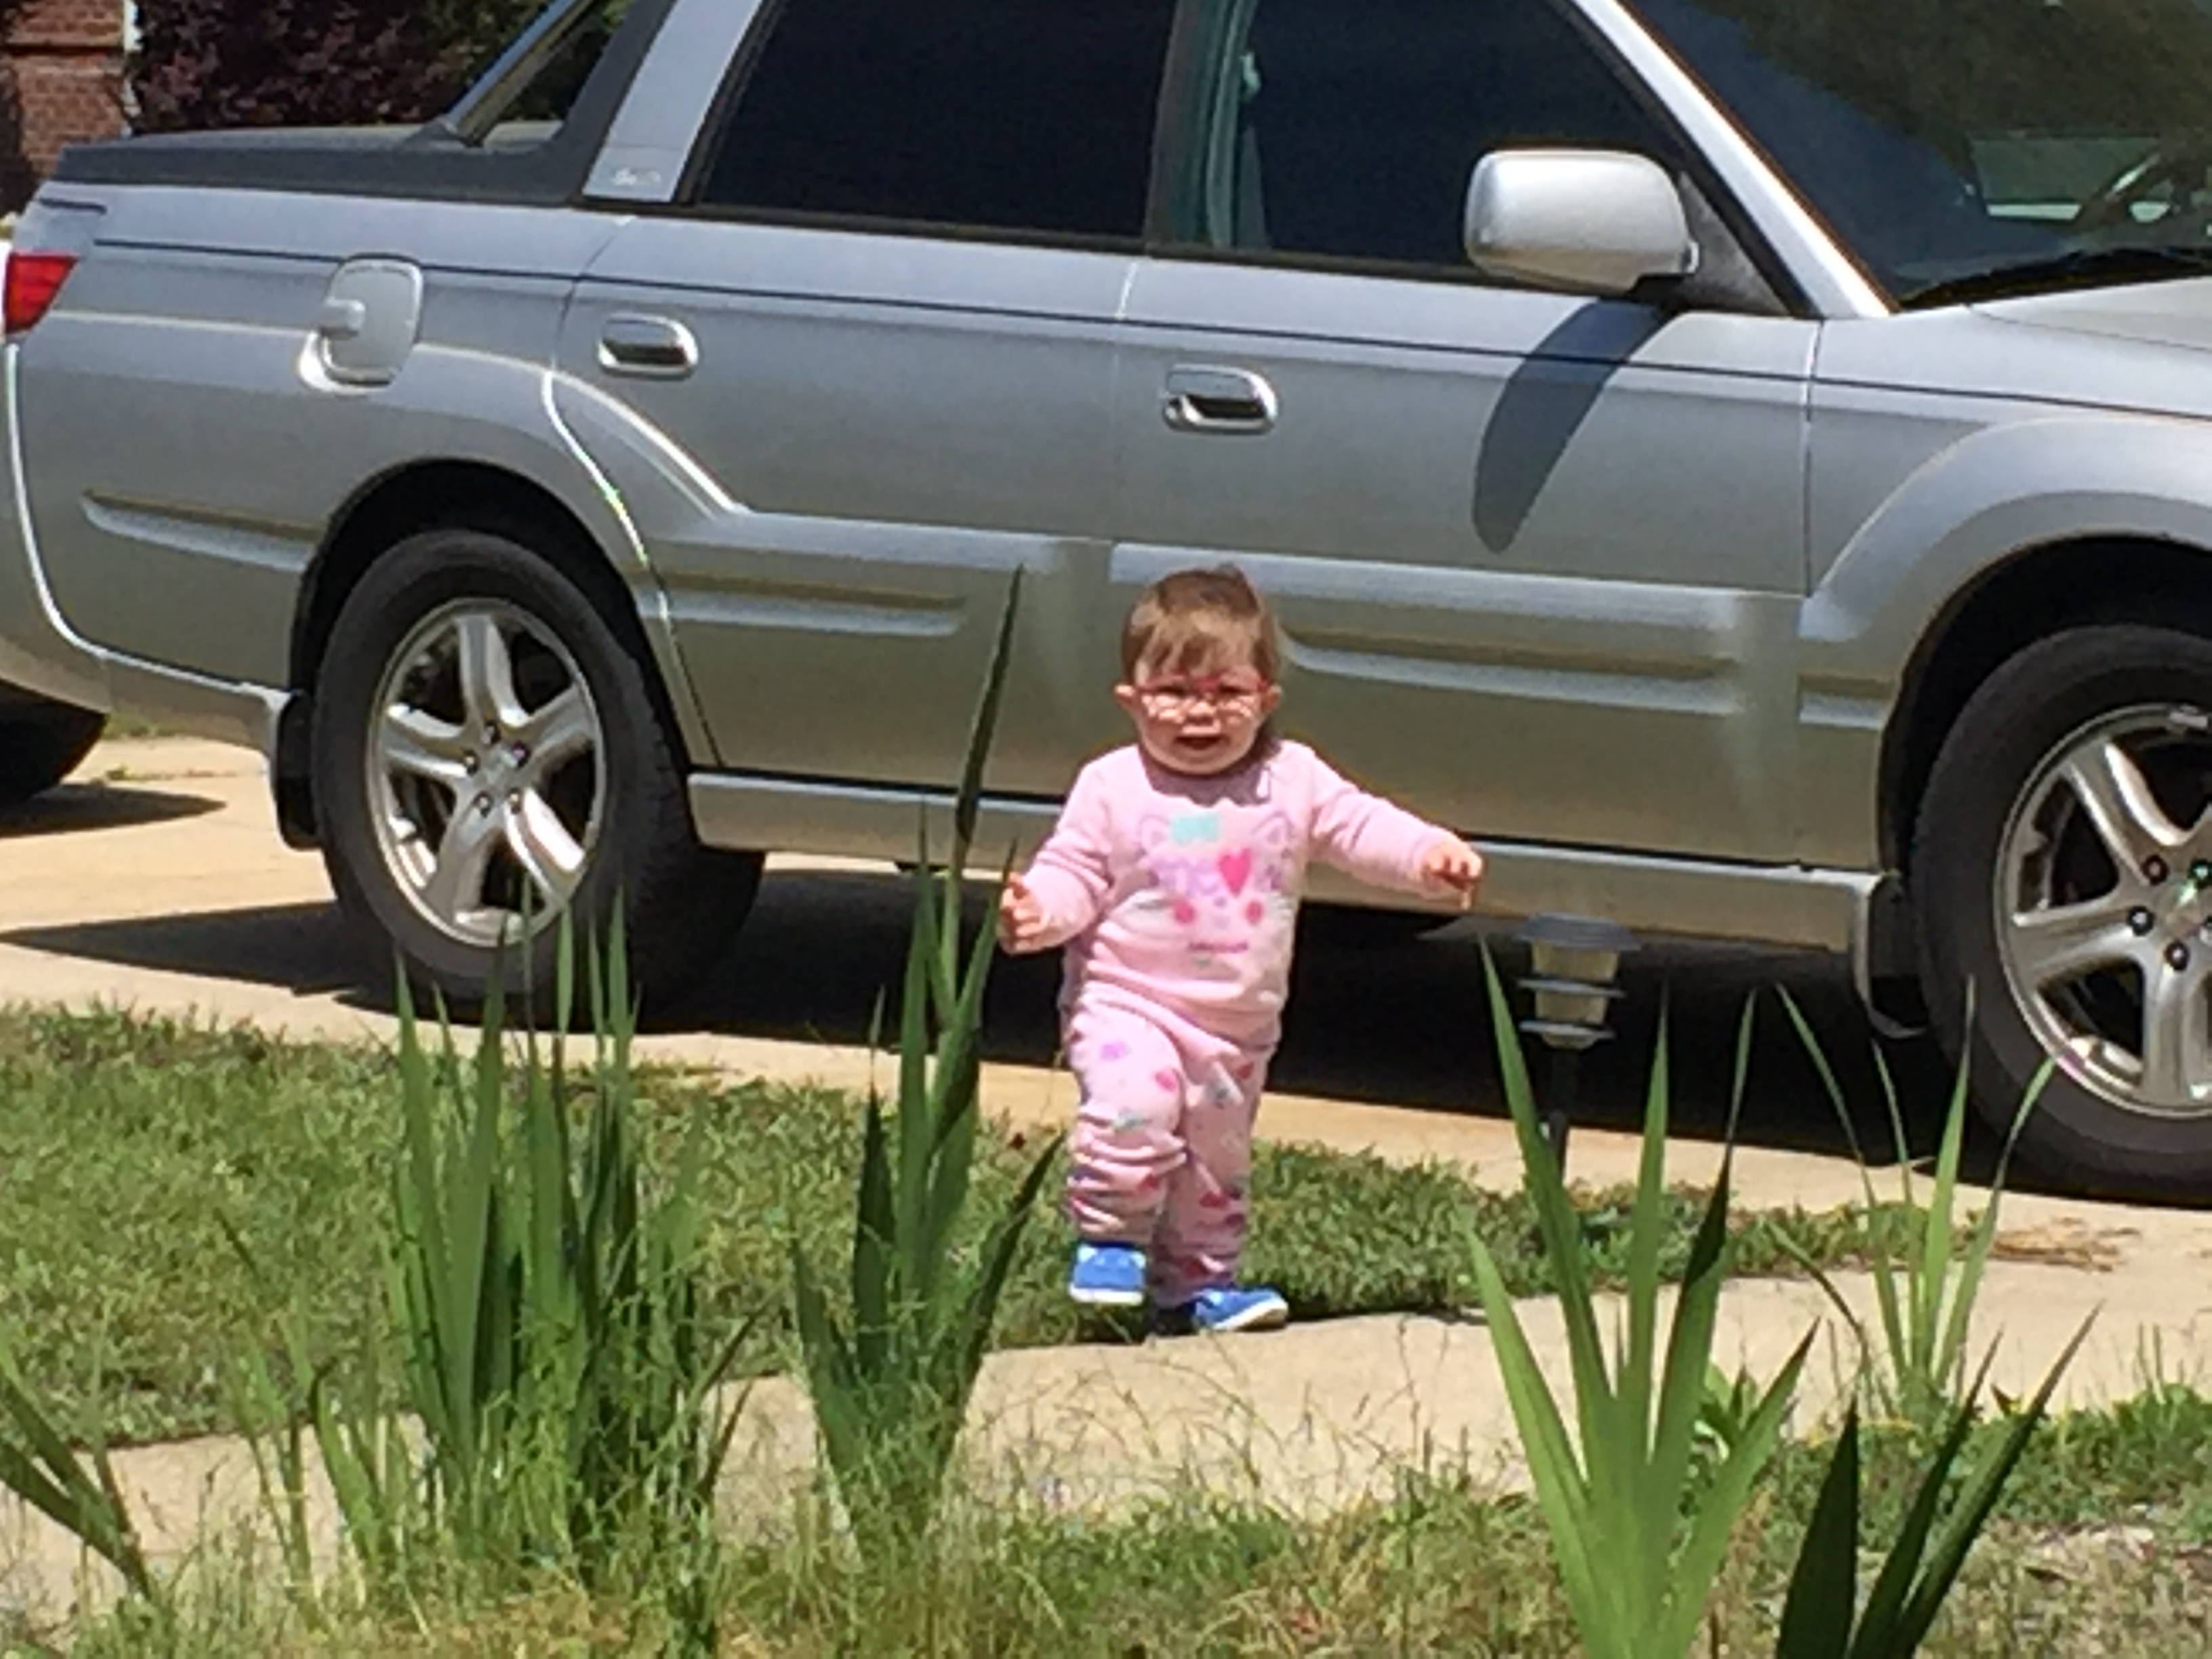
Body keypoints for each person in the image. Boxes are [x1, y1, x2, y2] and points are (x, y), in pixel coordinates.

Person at [998, 567, 1483, 1334]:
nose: (1200, 714)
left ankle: (1195, 1288)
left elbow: (1359, 827)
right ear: (1131, 698)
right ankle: (1110, 1233)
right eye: (1175, 692)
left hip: (1237, 1023)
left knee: (1213, 1166)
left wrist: (1428, 857)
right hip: (1128, 1002)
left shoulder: (1290, 781)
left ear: (1266, 699)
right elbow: (1074, 872)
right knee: (1137, 1105)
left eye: (1226, 693)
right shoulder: (1113, 786)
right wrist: (1037, 912)